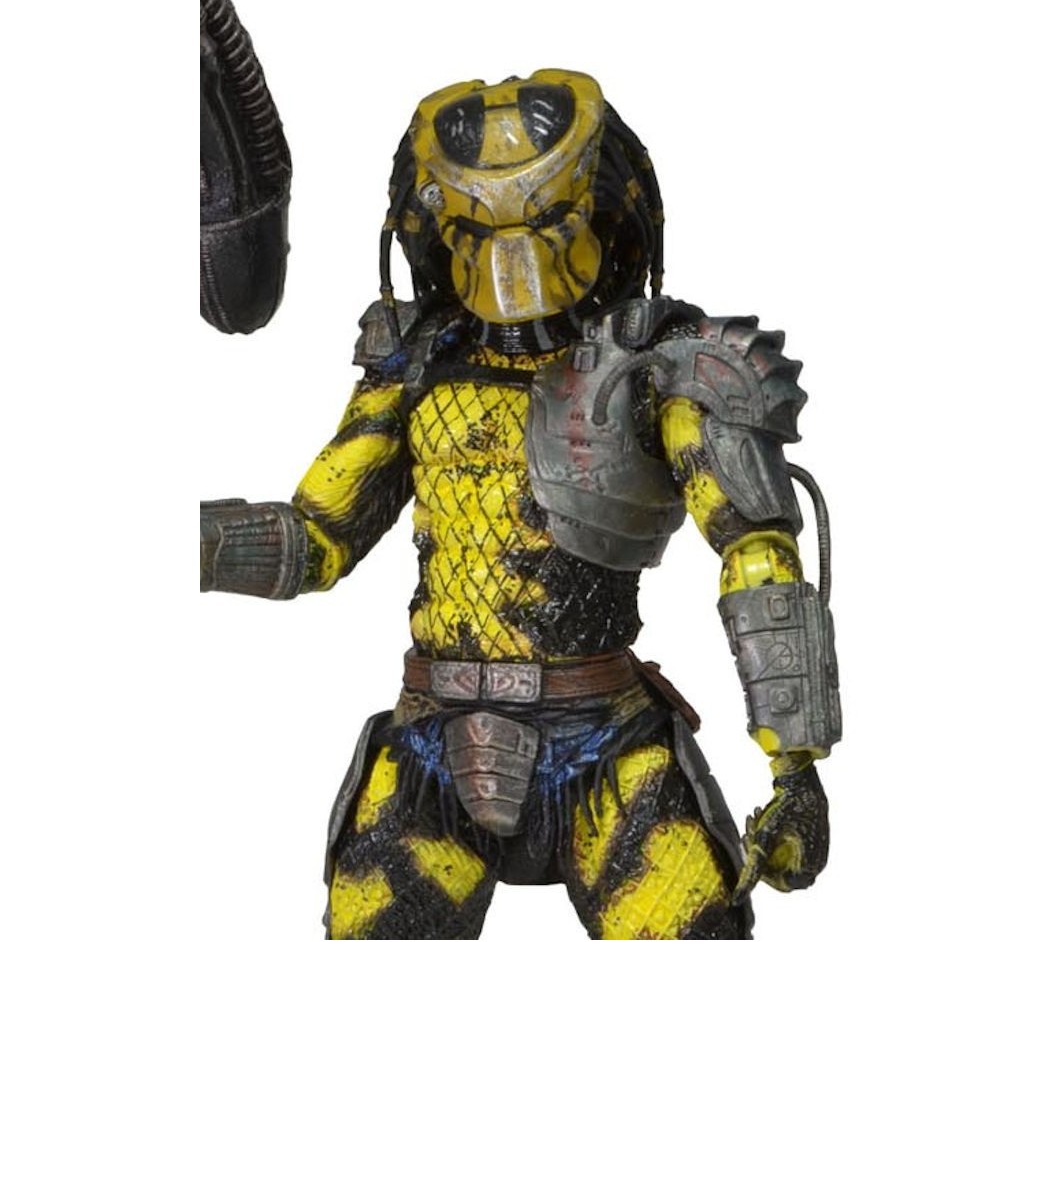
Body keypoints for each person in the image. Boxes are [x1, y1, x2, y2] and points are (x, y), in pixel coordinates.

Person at [200, 69, 841, 939]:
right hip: (431, 747)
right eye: (478, 231)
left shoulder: (662, 363)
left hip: (608, 746)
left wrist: (796, 770)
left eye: (544, 227)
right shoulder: (415, 365)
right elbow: (316, 539)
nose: (513, 269)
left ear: (597, 210)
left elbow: (755, 552)